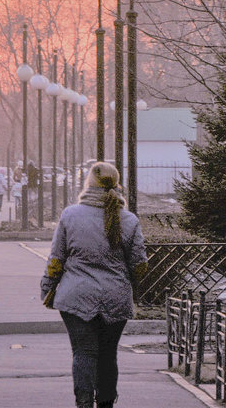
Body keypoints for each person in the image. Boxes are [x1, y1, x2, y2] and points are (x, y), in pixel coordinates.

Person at [40, 161, 147, 408]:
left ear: (89, 183)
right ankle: (106, 403)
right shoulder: (128, 220)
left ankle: (84, 402)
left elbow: (56, 259)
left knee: (84, 352)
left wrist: (48, 288)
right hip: (115, 297)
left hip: (76, 297)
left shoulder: (70, 215)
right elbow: (139, 263)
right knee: (108, 355)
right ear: (116, 184)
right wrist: (131, 289)